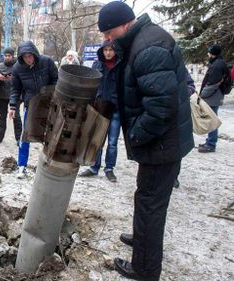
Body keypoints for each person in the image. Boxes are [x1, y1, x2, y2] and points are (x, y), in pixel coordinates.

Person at [97, 2, 194, 280]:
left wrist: (136, 135)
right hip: (160, 142)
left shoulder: (148, 47)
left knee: (151, 205)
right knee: (145, 197)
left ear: (125, 23)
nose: (107, 39)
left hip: (161, 144)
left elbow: (161, 107)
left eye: (109, 32)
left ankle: (145, 268)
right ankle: (142, 240)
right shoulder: (142, 39)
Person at [8, 41, 58, 178]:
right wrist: (13, 106)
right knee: (25, 136)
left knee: (50, 136)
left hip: (49, 104)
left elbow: (56, 80)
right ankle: (22, 166)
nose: (28, 59)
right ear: (21, 57)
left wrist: (52, 95)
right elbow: (15, 89)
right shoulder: (18, 68)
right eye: (25, 57)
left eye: (30, 56)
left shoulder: (47, 62)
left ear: (35, 54)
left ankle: (46, 164)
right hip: (31, 105)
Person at [79, 41, 122, 182]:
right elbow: (92, 85)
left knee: (113, 142)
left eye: (111, 50)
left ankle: (109, 168)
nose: (108, 53)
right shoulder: (97, 65)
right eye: (105, 50)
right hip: (100, 108)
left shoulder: (122, 65)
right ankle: (94, 166)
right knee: (97, 139)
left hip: (115, 109)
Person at [198, 44, 229, 153]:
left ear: (212, 53)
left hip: (213, 96)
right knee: (211, 119)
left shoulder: (216, 65)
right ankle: (210, 141)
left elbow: (212, 84)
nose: (207, 54)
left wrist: (202, 95)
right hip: (215, 96)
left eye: (209, 52)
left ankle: (211, 144)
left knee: (211, 120)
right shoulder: (218, 63)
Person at [0, 47, 22, 146]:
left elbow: (22, 79)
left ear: (12, 56)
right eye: (5, 55)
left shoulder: (18, 66)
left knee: (16, 117)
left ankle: (19, 138)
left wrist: (13, 78)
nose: (7, 57)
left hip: (15, 94)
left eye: (9, 55)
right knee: (2, 117)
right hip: (2, 94)